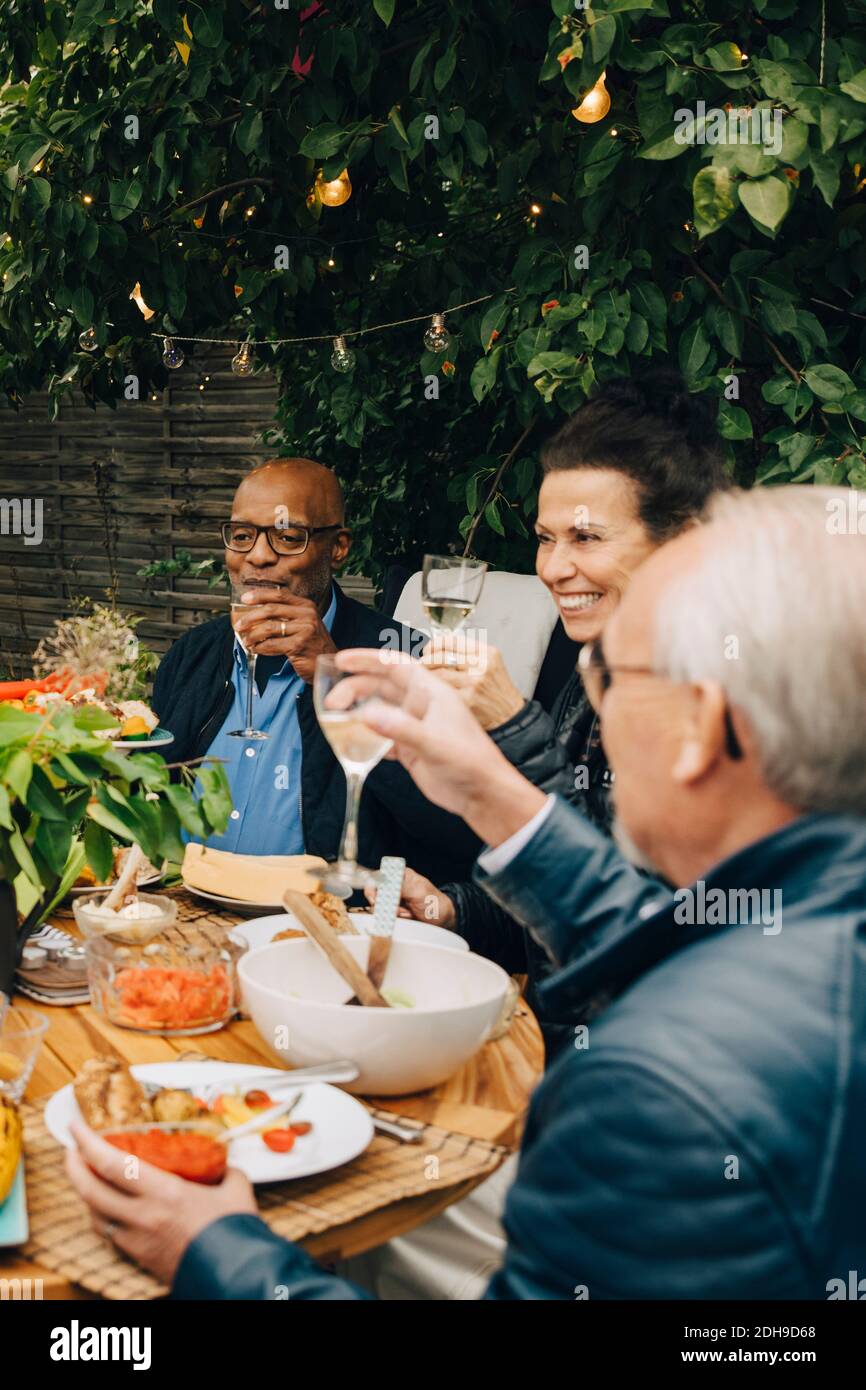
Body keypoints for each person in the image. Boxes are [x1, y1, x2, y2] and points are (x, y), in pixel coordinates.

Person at [67, 485, 866, 1299]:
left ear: (700, 727)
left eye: (611, 670)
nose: (587, 695)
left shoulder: (652, 1095)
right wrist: (492, 790)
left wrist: (216, 1250)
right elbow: (659, 940)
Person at [394, 370, 731, 1045]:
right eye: (546, 538)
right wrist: (451, 909)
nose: (551, 568)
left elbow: (635, 942)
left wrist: (515, 730)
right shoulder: (599, 669)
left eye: (585, 539)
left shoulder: (722, 708)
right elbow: (562, 891)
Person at [151, 457, 479, 882]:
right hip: (182, 912)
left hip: (322, 924)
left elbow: (452, 828)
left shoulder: (405, 658)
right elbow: (148, 791)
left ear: (338, 547)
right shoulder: (189, 656)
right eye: (243, 536)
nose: (258, 556)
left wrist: (333, 675)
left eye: (288, 537)